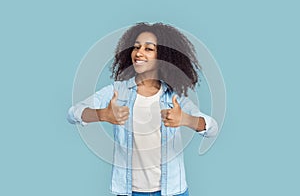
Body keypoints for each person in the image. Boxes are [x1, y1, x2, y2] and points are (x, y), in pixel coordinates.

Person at [67, 22, 218, 196]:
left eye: (149, 49)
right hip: (130, 191)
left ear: (163, 56)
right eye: (136, 47)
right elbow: (73, 113)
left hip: (172, 191)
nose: (139, 53)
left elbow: (212, 128)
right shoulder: (117, 91)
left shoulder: (173, 97)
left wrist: (186, 119)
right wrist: (102, 114)